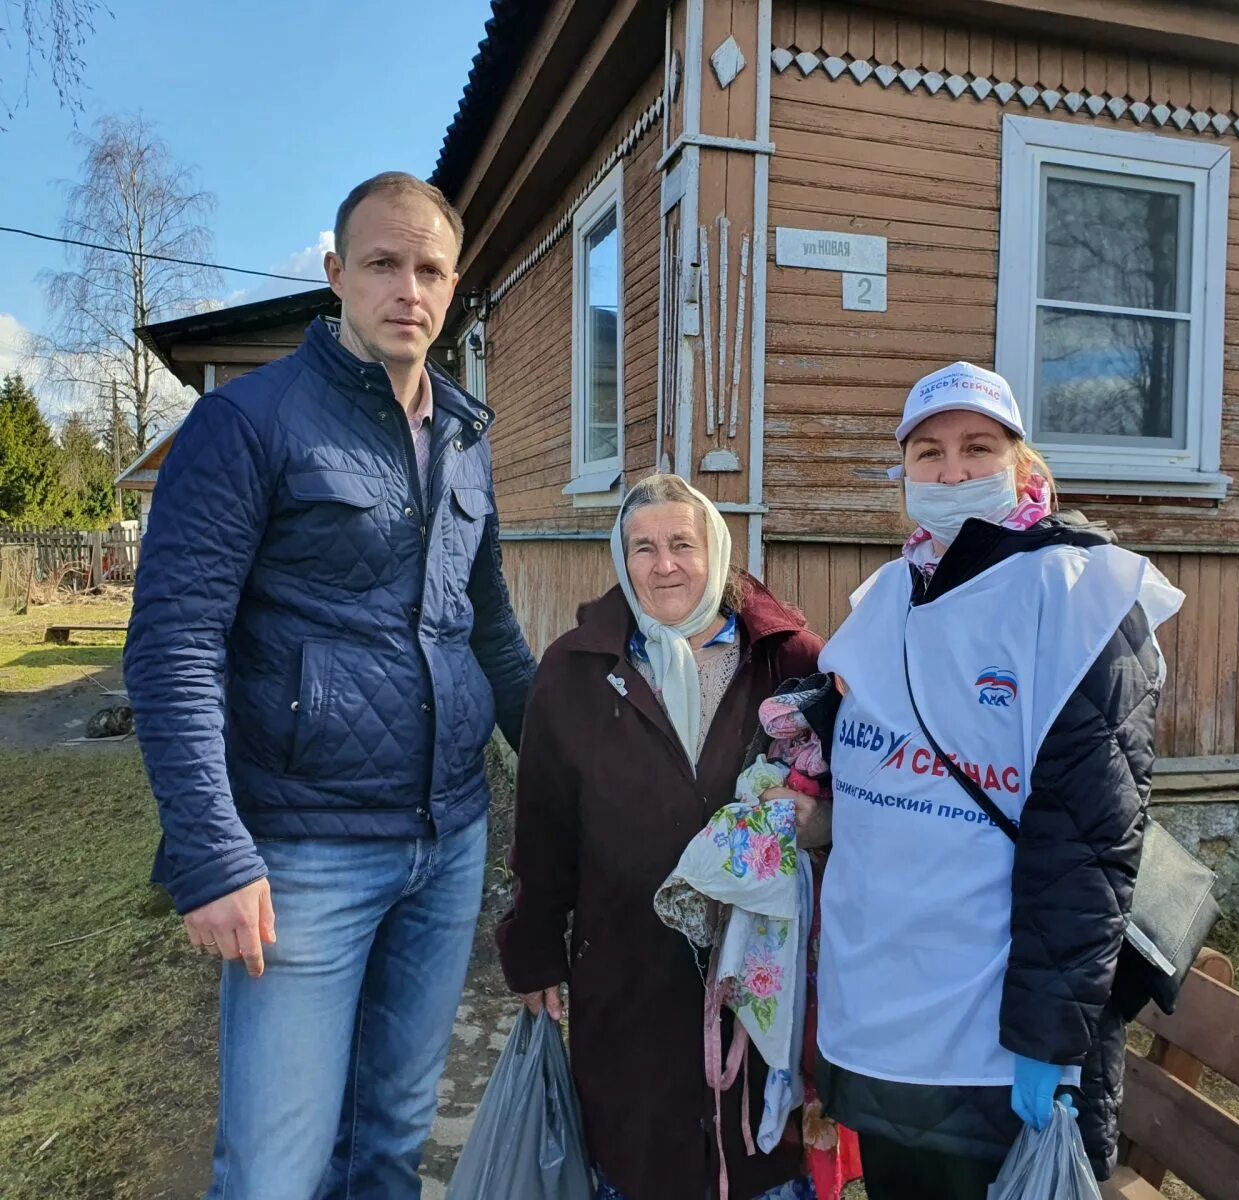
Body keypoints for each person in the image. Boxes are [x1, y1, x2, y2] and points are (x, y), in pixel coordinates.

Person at [123, 171, 535, 1199]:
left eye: (430, 268)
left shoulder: (466, 443)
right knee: (275, 1170)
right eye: (384, 264)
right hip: (303, 851)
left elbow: (490, 634)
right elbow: (174, 644)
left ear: (452, 286)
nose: (408, 288)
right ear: (336, 274)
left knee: (391, 1141)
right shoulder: (250, 424)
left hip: (447, 844)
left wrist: (587, 772)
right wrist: (212, 853)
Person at [808, 361, 1183, 1198]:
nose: (952, 472)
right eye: (928, 453)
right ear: (903, 474)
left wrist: (1051, 1039)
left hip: (999, 1045)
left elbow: (1089, 840)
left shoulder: (1078, 593)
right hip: (887, 1024)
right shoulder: (892, 594)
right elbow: (876, 725)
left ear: (1025, 466)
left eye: (978, 448)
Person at [496, 473, 826, 1200]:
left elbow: (844, 786)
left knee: (758, 1160)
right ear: (621, 559)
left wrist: (822, 822)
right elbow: (546, 825)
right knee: (638, 1149)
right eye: (642, 548)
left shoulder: (787, 659)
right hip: (624, 966)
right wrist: (535, 951)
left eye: (682, 543)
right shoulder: (576, 672)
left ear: (716, 551)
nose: (664, 564)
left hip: (757, 976)